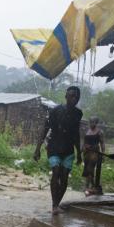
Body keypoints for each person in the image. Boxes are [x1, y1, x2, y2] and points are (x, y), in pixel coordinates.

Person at [34, 86, 82, 215]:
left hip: (68, 149)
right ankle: (54, 205)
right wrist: (37, 149)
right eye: (72, 96)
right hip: (54, 146)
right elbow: (45, 129)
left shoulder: (78, 114)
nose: (74, 99)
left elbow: (76, 134)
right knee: (56, 172)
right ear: (66, 97)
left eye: (76, 97)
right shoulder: (56, 111)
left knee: (65, 176)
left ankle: (57, 204)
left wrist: (79, 153)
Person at [82, 116, 105, 196]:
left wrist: (103, 154)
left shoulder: (99, 132)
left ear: (97, 123)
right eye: (91, 122)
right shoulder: (87, 131)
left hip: (95, 152)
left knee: (90, 168)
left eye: (94, 122)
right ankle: (92, 186)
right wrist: (82, 148)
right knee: (86, 168)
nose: (92, 123)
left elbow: (102, 143)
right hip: (86, 152)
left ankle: (90, 186)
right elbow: (84, 141)